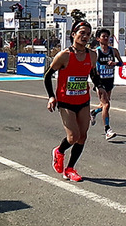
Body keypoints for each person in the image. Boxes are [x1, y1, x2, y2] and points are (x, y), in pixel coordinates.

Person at [44, 20, 99, 182]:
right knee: (73, 136)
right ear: (73, 34)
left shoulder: (92, 55)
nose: (85, 36)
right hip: (65, 101)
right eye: (82, 33)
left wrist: (99, 87)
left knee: (83, 136)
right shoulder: (64, 55)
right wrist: (51, 96)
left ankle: (70, 169)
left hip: (83, 100)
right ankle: (59, 151)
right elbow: (47, 76)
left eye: (88, 34)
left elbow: (93, 74)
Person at [90, 28, 123, 141]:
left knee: (104, 104)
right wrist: (96, 81)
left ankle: (93, 112)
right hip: (100, 82)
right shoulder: (96, 52)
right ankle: (107, 130)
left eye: (107, 36)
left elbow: (121, 63)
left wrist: (115, 63)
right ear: (98, 39)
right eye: (103, 36)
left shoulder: (113, 51)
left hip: (109, 79)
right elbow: (91, 67)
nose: (106, 38)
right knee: (107, 105)